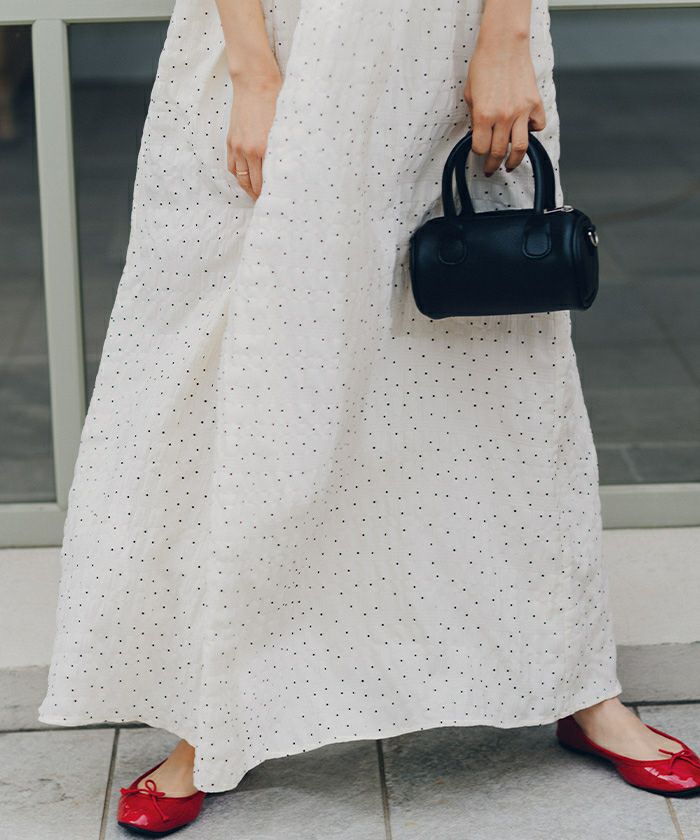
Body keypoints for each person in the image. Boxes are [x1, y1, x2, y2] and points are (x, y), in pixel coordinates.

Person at [38, 0, 700, 834]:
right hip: (277, 37)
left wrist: (505, 38)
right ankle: (216, 711)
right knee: (249, 374)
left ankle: (573, 682)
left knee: (490, 369)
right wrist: (251, 69)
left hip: (448, 35)